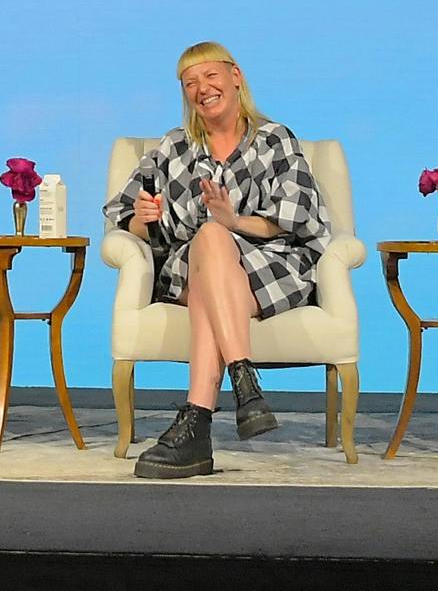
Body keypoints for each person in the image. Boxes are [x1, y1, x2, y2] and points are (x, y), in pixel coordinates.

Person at [106, 41, 330, 479]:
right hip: (191, 268)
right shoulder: (173, 149)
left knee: (214, 234)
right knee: (208, 240)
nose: (201, 89)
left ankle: (197, 423)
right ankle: (244, 384)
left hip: (271, 263)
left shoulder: (275, 139)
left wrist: (235, 220)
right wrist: (141, 220)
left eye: (210, 76)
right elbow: (121, 215)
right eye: (190, 83)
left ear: (235, 77)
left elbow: (299, 215)